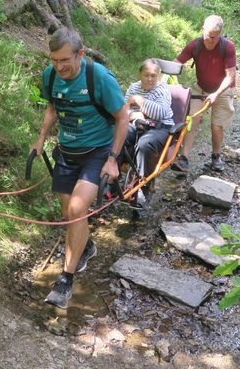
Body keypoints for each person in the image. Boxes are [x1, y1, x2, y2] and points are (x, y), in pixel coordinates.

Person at [30, 28, 128, 310]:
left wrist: (113, 158)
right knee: (69, 214)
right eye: (54, 60)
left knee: (75, 211)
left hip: (97, 153)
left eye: (64, 60)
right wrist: (40, 139)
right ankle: (86, 246)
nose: (59, 66)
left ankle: (65, 280)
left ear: (80, 54)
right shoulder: (50, 75)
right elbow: (52, 107)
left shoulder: (98, 78)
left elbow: (122, 118)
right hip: (66, 151)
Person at [171, 15, 236, 173]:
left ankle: (216, 156)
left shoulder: (227, 47)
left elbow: (230, 76)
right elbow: (176, 63)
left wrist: (216, 94)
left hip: (223, 89)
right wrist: (172, 81)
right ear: (203, 30)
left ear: (220, 33)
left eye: (215, 36)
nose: (211, 40)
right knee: (191, 121)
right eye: (208, 36)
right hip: (201, 88)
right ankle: (184, 159)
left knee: (216, 127)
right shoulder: (195, 45)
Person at [123, 58, 174, 208]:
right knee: (119, 135)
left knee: (146, 144)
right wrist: (134, 115)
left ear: (158, 77)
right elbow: (124, 109)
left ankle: (144, 186)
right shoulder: (133, 87)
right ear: (139, 74)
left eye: (154, 75)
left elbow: (159, 113)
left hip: (160, 127)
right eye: (147, 75)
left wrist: (138, 99)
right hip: (136, 124)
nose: (150, 79)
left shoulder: (163, 89)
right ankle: (112, 179)